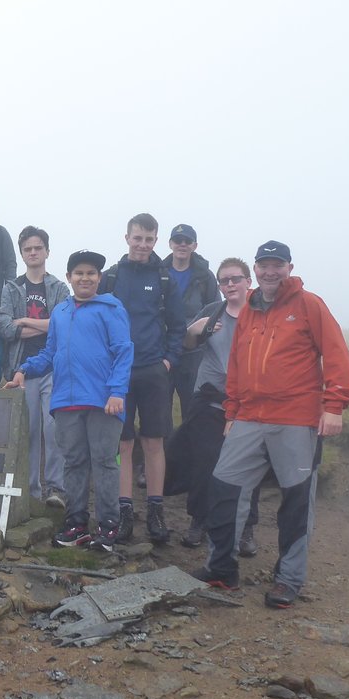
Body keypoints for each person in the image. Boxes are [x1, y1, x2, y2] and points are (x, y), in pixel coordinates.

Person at [199, 241, 349, 609]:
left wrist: (333, 407)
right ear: (255, 268)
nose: (270, 272)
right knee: (224, 489)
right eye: (264, 265)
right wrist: (232, 411)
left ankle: (288, 579)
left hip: (296, 420)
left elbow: (336, 355)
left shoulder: (309, 305)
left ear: (289, 267)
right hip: (248, 418)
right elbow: (236, 364)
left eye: (277, 265)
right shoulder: (250, 309)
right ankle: (222, 569)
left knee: (296, 501)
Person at [7, 250, 132, 553]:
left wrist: (117, 391)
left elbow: (123, 351)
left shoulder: (111, 307)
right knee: (73, 463)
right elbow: (50, 353)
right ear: (69, 278)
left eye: (91, 273)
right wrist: (25, 369)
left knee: (105, 463)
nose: (85, 278)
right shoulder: (61, 313)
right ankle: (76, 523)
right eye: (79, 273)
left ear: (99, 278)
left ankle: (108, 528)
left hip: (104, 402)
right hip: (65, 402)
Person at [98, 213, 186, 545]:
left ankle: (155, 510)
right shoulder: (111, 277)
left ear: (156, 241)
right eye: (138, 238)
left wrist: (168, 361)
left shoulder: (165, 280)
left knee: (153, 442)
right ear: (127, 238)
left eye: (149, 240)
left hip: (152, 370)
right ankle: (124, 513)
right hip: (118, 373)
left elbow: (178, 326)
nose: (143, 245)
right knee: (122, 443)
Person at [175, 257, 260, 553]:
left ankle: (246, 528)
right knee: (204, 462)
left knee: (249, 467)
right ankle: (199, 521)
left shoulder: (263, 313)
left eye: (236, 279)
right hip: (210, 400)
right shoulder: (212, 312)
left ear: (249, 281)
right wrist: (194, 330)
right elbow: (186, 346)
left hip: (251, 403)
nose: (230, 285)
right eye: (224, 281)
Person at [0, 226, 70, 507]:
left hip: (53, 368)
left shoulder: (59, 288)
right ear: (22, 253)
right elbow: (5, 327)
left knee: (53, 431)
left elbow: (62, 325)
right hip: (21, 369)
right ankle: (30, 490)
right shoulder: (11, 287)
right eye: (27, 248)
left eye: (38, 247)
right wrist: (44, 326)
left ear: (47, 251)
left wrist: (25, 321)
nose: (33, 252)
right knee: (27, 432)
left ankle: (56, 489)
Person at [162, 223, 219, 423]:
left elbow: (215, 311)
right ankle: (165, 453)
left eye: (188, 241)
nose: (182, 245)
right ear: (170, 244)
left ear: (195, 245)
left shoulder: (205, 277)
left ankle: (191, 453)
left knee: (193, 409)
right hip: (163, 350)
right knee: (160, 412)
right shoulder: (158, 273)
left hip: (194, 354)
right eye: (178, 240)